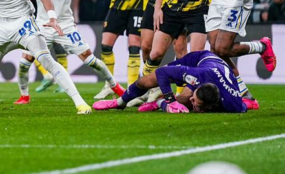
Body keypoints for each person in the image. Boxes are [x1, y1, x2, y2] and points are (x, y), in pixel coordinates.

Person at [12, 0, 128, 105]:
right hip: (42, 27)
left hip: (65, 27)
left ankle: (115, 86)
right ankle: (24, 95)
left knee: (91, 60)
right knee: (24, 62)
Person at [93, 51, 256, 113]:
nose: (194, 102)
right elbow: (163, 73)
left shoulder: (233, 104)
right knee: (147, 80)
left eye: (198, 104)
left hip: (215, 73)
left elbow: (246, 105)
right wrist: (170, 100)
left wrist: (164, 105)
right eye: (195, 98)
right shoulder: (196, 75)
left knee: (185, 101)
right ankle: (120, 102)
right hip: (199, 61)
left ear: (212, 105)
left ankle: (157, 104)